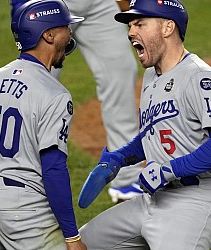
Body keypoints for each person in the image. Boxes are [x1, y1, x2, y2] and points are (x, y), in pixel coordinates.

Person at [77, 0, 211, 249]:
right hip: (152, 199)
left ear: (168, 27)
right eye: (131, 25)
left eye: (140, 24)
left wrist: (169, 170)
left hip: (196, 200)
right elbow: (153, 134)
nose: (131, 32)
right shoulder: (152, 76)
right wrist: (119, 158)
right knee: (79, 244)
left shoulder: (198, 76)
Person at [0, 0, 87, 249]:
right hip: (23, 212)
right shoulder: (55, 94)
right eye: (65, 27)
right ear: (49, 35)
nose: (71, 33)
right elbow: (53, 168)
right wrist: (72, 236)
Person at [52, 0, 144, 203]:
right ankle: (18, 174)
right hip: (52, 3)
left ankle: (126, 180)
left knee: (120, 71)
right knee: (40, 79)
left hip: (100, 3)